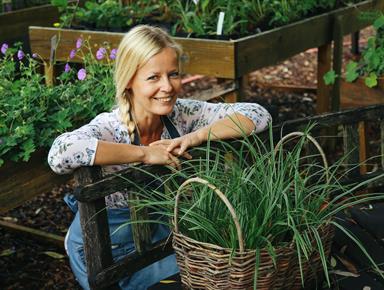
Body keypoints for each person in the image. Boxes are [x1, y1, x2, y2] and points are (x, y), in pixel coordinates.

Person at [48, 25, 271, 290]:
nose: (167, 86)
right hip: (108, 251)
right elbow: (60, 153)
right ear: (129, 80)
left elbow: (257, 115)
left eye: (173, 74)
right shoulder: (110, 127)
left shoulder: (182, 114)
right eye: (153, 77)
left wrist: (195, 137)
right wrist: (143, 153)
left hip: (159, 240)